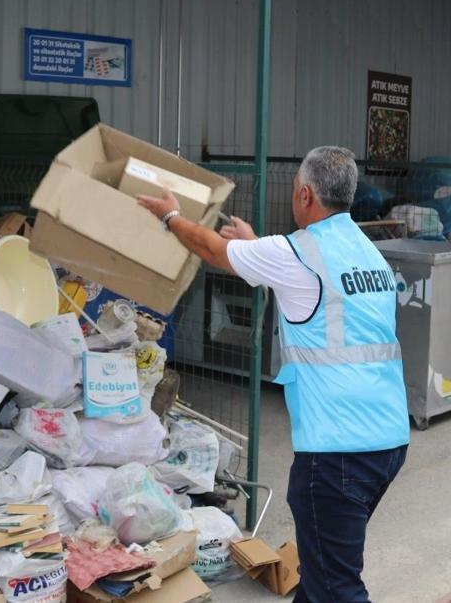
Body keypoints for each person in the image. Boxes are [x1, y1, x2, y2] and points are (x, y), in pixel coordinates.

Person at [137, 145, 409, 602]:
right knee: (321, 569)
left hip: (337, 451)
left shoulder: (296, 254)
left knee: (337, 588)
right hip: (386, 440)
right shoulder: (364, 250)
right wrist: (254, 243)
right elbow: (305, 284)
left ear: (304, 193)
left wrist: (170, 217)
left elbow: (210, 248)